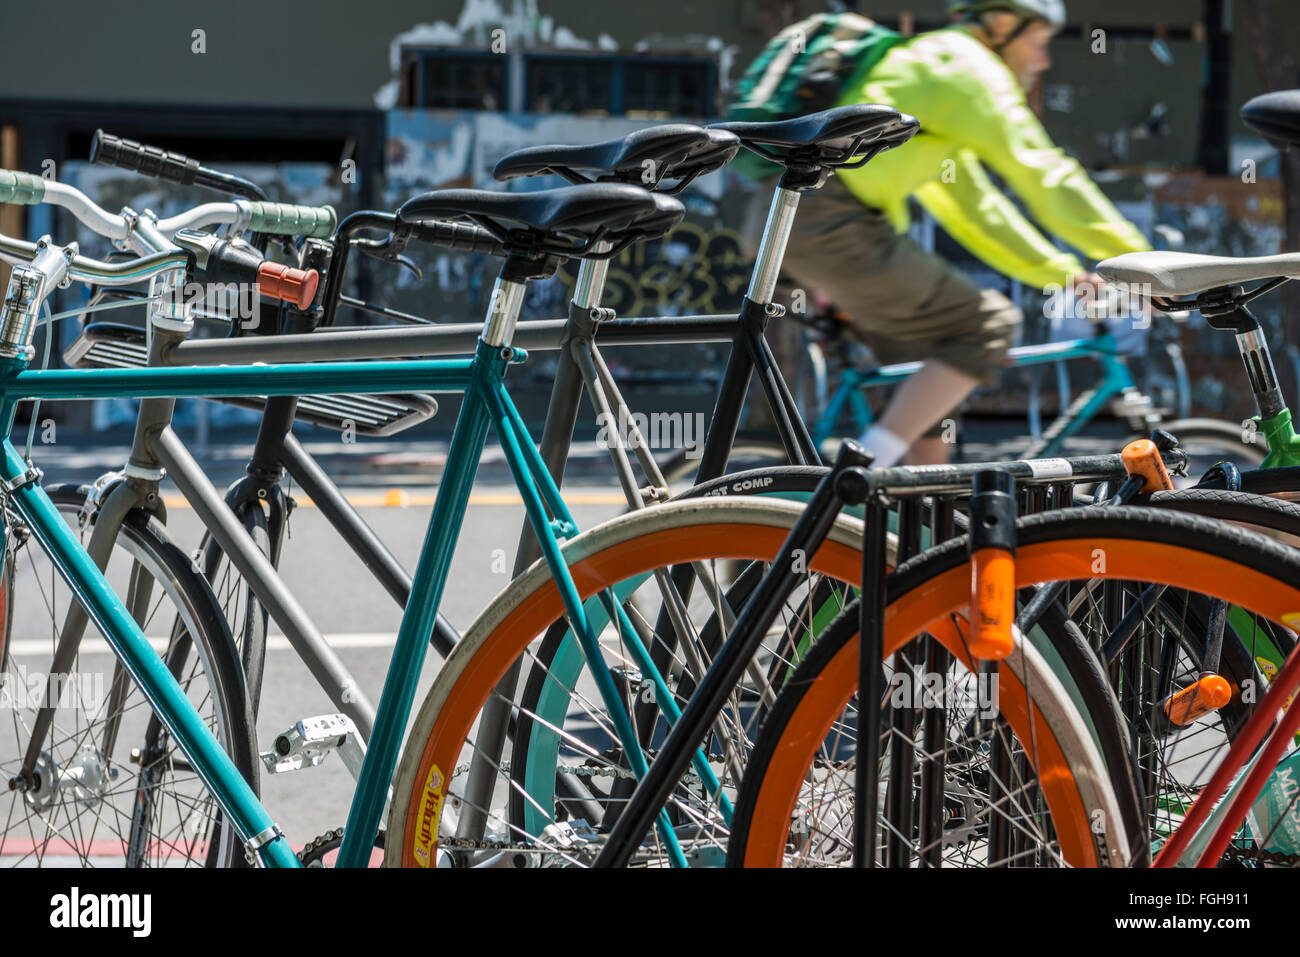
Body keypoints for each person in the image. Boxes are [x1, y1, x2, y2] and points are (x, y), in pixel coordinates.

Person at [743, 0, 1151, 466]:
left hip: (802, 219)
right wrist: (1143, 261)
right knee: (986, 325)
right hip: (832, 222)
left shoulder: (934, 67)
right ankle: (854, 478)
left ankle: (915, 525)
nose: (1044, 61)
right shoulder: (968, 70)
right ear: (1001, 24)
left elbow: (976, 210)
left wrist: (1061, 273)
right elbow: (1045, 174)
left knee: (938, 388)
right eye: (1038, 44)